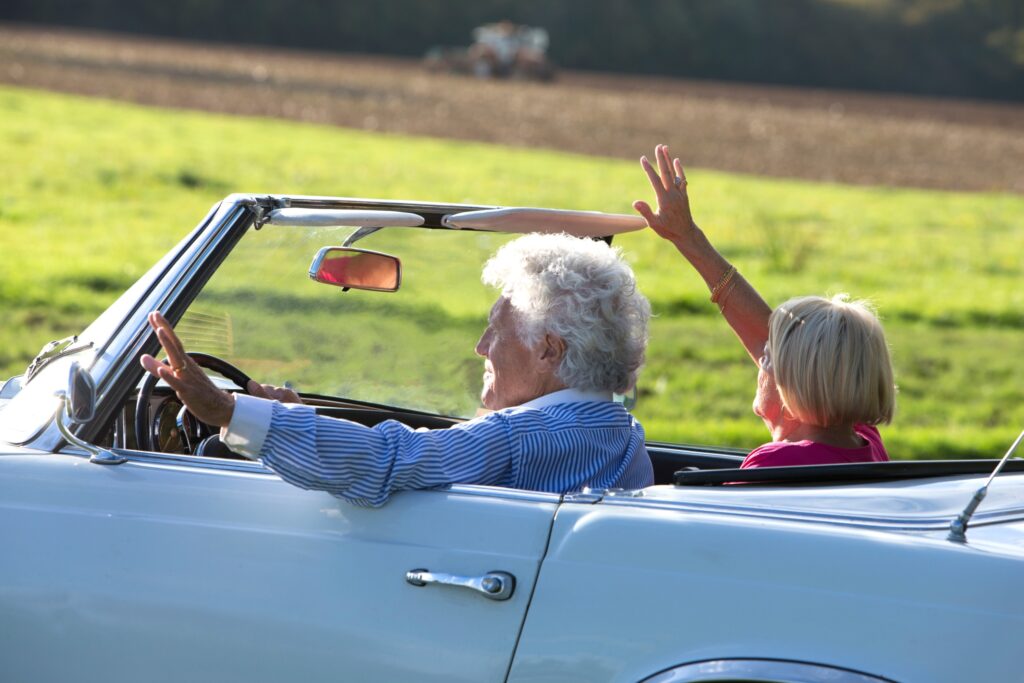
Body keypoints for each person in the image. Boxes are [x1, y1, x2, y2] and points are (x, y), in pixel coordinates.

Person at [141, 232, 654, 505]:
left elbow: (391, 459)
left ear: (548, 350)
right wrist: (301, 421)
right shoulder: (624, 434)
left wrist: (229, 411)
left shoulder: (515, 437)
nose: (481, 348)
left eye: (496, 331)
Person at [634, 144, 895, 468]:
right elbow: (771, 335)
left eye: (768, 358)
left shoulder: (774, 465)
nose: (759, 354)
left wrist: (688, 237)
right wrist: (687, 237)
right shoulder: (866, 443)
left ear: (795, 387)